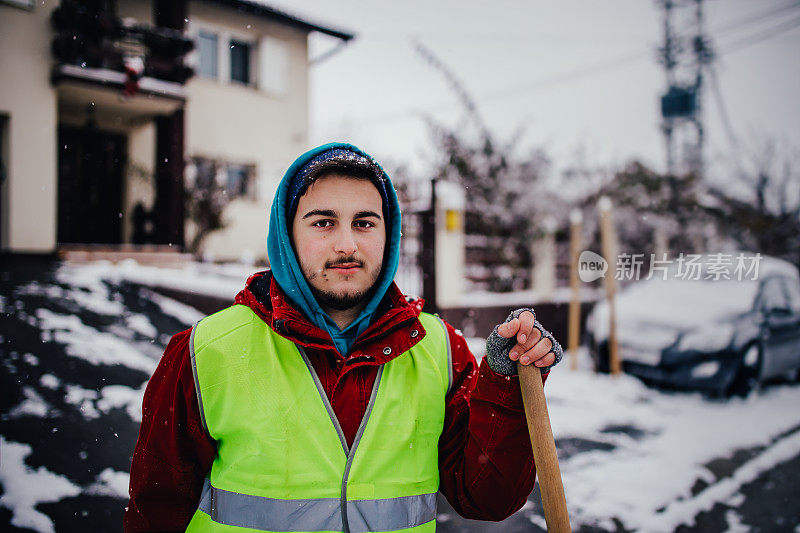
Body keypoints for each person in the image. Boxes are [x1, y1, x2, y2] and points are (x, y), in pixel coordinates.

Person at [124, 143, 563, 532]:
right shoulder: (204, 352)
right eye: (323, 222)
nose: (347, 244)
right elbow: (155, 513)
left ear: (388, 234)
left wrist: (506, 383)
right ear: (287, 233)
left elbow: (486, 498)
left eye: (365, 223)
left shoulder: (438, 350)